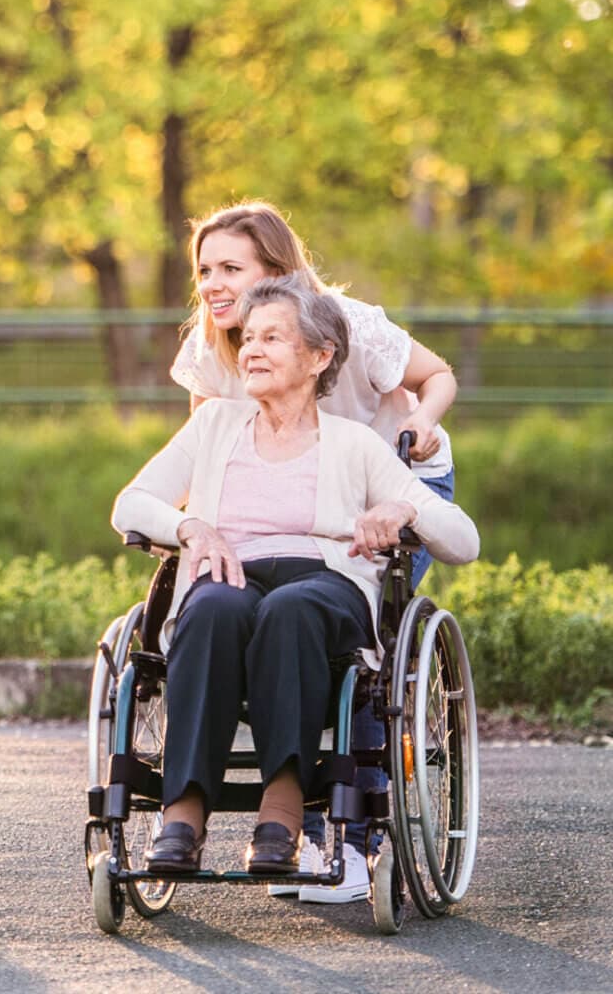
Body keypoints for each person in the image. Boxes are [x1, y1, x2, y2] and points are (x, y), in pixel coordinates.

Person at [111, 274, 479, 881]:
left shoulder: (356, 444)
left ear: (318, 357)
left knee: (292, 610)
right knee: (209, 610)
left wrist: (405, 509)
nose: (251, 349)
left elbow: (464, 538)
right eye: (248, 338)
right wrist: (191, 528)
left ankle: (280, 809)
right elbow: (130, 503)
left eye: (273, 338)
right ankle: (184, 811)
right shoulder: (214, 426)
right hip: (230, 572)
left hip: (324, 584)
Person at [169, 201, 456, 901]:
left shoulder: (346, 324)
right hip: (288, 500)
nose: (212, 282)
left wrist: (418, 421)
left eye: (231, 267)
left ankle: (354, 840)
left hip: (393, 478)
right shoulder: (215, 343)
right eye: (204, 269)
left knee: (354, 642)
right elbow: (208, 452)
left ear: (277, 270)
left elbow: (437, 373)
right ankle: (207, 809)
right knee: (232, 607)